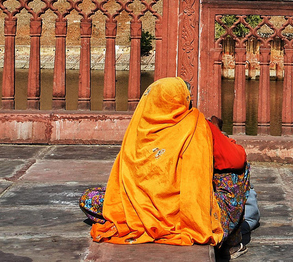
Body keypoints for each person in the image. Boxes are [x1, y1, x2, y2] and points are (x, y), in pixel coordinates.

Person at [80, 77, 250, 256]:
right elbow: (237, 158)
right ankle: (231, 243)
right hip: (183, 216)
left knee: (89, 199)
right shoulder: (197, 125)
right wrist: (221, 137)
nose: (189, 101)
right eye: (187, 97)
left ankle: (147, 223)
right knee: (239, 172)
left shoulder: (138, 129)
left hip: (138, 210)